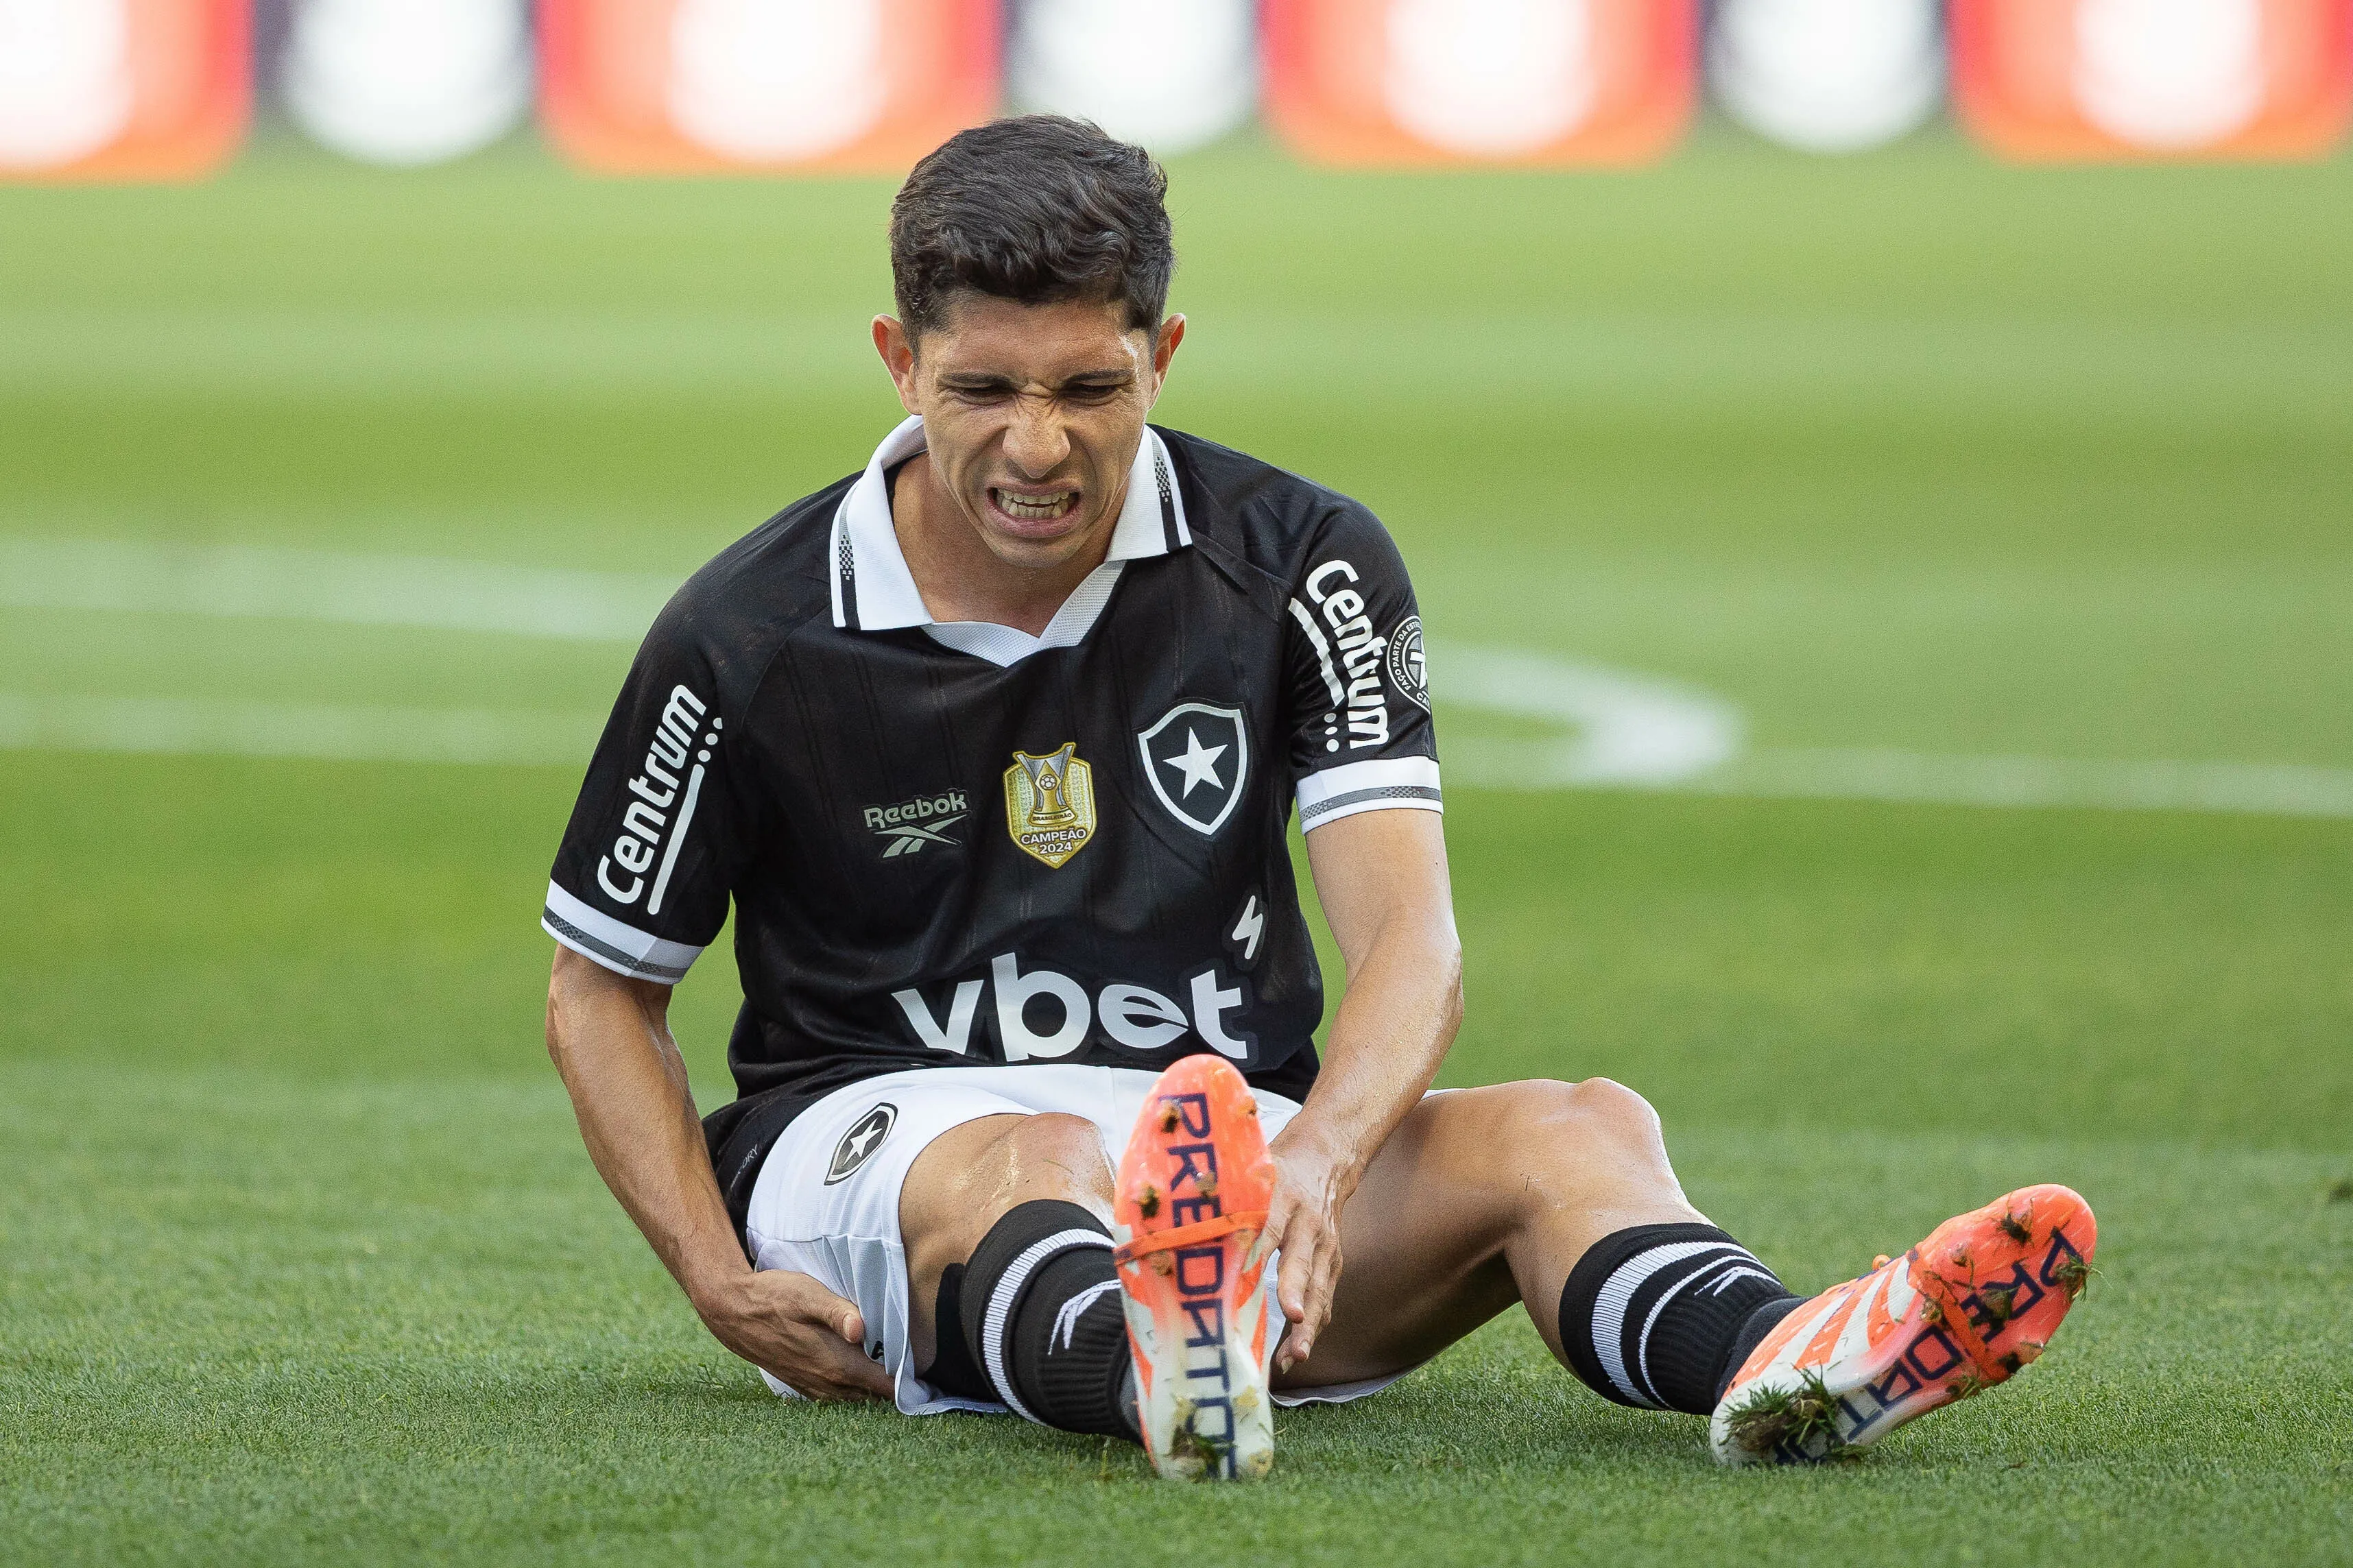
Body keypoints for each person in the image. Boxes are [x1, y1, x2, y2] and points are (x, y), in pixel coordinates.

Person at [540, 116, 2094, 1480]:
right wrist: (705, 1269)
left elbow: (1411, 943)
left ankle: (1794, 1364)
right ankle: (1150, 1352)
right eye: (983, 390)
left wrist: (1319, 1164)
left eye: (1091, 386)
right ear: (898, 360)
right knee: (1035, 1157)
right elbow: (601, 987)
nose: (1037, 446)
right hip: (886, 1150)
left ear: (1164, 352)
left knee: (1571, 1129)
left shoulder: (1298, 560)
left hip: (1234, 1164)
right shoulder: (749, 630)